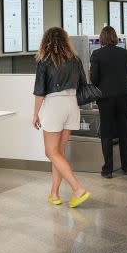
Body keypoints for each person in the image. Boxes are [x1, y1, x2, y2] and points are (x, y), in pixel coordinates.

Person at [32, 27, 90, 208]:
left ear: (46, 41)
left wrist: (35, 114)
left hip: (54, 105)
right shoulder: (75, 59)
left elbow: (40, 91)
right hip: (72, 105)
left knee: (50, 152)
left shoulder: (45, 60)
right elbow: (83, 84)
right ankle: (54, 193)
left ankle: (77, 188)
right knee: (58, 152)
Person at [89, 26, 127, 178]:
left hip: (106, 98)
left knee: (107, 134)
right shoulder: (123, 53)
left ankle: (108, 169)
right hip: (124, 97)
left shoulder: (97, 54)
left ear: (101, 38)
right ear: (115, 37)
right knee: (124, 132)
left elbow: (94, 79)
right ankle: (126, 166)